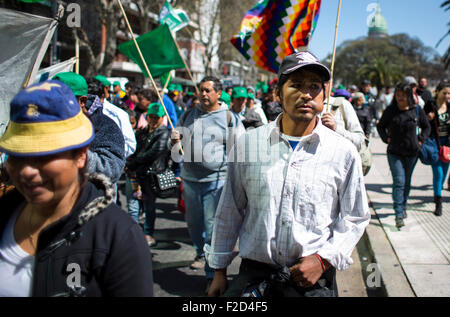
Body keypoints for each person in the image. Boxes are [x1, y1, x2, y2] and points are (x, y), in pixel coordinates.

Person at [205, 51, 370, 297]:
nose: (306, 94)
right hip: (255, 278)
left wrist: (323, 260)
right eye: (296, 85)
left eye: (314, 86)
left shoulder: (343, 152)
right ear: (278, 94)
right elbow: (230, 209)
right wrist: (219, 270)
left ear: (324, 96)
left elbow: (355, 217)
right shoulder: (248, 145)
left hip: (313, 282)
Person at [0, 81, 153, 297]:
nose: (27, 171)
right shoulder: (5, 215)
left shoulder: (117, 236)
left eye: (43, 156)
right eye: (17, 155)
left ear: (81, 155)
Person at [169, 76, 244, 293]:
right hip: (190, 180)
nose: (203, 94)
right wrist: (174, 141)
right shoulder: (188, 115)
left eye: (208, 90)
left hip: (216, 181)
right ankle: (200, 254)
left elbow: (240, 149)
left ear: (218, 93)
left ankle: (212, 274)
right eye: (201, 90)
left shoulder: (230, 118)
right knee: (194, 225)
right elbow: (174, 149)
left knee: (213, 228)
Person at [53, 73, 126, 185]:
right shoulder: (46, 122)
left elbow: (112, 170)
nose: (53, 106)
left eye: (61, 102)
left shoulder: (106, 126)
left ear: (82, 101)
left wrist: (77, 155)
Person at [377, 82, 431, 228]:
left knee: (407, 183)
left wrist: (421, 140)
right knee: (399, 182)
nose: (400, 98)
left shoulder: (417, 110)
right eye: (398, 94)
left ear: (409, 96)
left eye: (403, 95)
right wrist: (385, 138)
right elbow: (380, 126)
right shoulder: (391, 110)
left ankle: (404, 205)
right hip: (394, 153)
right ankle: (398, 213)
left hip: (412, 153)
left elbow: (427, 127)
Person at [126, 103, 170, 247]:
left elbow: (154, 153)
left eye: (156, 117)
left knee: (149, 205)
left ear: (162, 118)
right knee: (133, 204)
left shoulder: (164, 133)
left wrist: (134, 163)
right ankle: (133, 233)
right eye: (150, 116)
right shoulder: (142, 132)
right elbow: (134, 149)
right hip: (136, 173)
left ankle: (148, 233)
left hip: (151, 174)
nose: (153, 120)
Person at [424, 80, 450, 216]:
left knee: (445, 172)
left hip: (448, 144)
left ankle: (438, 192)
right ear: (438, 92)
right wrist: (428, 118)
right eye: (444, 93)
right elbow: (421, 121)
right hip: (434, 143)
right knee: (438, 173)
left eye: (449, 93)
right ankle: (438, 202)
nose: (447, 96)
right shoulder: (430, 105)